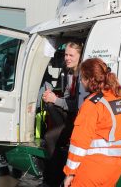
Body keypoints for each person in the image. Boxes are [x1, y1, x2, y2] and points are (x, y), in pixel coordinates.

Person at [63, 58, 121, 187]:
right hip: (116, 167)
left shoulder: (92, 104)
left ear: (89, 79)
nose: (80, 81)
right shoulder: (120, 99)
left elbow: (79, 143)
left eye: (82, 77)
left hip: (94, 167)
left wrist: (70, 172)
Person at [41, 41, 83, 186]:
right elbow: (66, 98)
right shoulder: (68, 72)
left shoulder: (82, 75)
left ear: (80, 56)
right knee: (49, 104)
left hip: (78, 118)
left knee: (49, 137)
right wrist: (52, 97)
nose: (67, 58)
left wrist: (56, 100)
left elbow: (77, 105)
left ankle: (54, 178)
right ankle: (64, 137)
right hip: (69, 116)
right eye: (66, 55)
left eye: (71, 55)